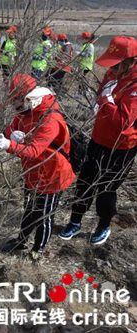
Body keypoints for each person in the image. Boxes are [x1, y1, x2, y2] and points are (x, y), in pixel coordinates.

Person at [59, 36, 137, 245]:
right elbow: (104, 94)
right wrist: (98, 100)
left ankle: (104, 224)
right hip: (98, 138)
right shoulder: (113, 73)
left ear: (129, 61)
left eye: (116, 63)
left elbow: (123, 121)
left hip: (121, 146)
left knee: (107, 186)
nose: (111, 68)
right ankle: (75, 220)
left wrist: (105, 101)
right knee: (85, 180)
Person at [0, 74, 76, 259]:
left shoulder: (50, 119)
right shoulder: (24, 112)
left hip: (52, 175)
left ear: (28, 99)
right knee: (31, 208)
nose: (14, 107)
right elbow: (10, 129)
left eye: (16, 102)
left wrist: (9, 145)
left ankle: (38, 249)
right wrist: (9, 135)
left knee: (44, 215)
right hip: (33, 171)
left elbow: (34, 150)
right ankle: (21, 240)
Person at [76, 31, 95, 98]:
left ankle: (81, 93)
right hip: (83, 65)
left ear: (87, 38)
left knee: (82, 81)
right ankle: (83, 92)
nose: (82, 40)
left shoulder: (90, 46)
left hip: (86, 66)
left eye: (83, 38)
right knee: (81, 80)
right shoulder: (86, 45)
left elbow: (89, 55)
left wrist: (80, 54)